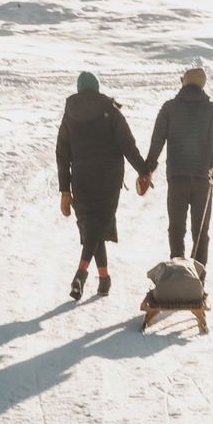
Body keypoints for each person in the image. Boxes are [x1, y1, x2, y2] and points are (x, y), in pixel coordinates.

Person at [56, 71, 150, 300]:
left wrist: (65, 190)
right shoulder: (111, 111)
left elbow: (62, 153)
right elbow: (128, 145)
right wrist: (143, 170)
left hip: (82, 178)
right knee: (97, 227)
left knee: (93, 227)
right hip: (109, 179)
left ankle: (104, 278)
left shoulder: (70, 114)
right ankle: (82, 272)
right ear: (97, 88)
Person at [145, 67, 213, 272]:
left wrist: (148, 169)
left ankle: (179, 273)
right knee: (200, 230)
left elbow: (157, 141)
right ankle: (198, 276)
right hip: (203, 179)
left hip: (177, 176)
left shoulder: (169, 108)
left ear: (184, 83)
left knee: (176, 227)